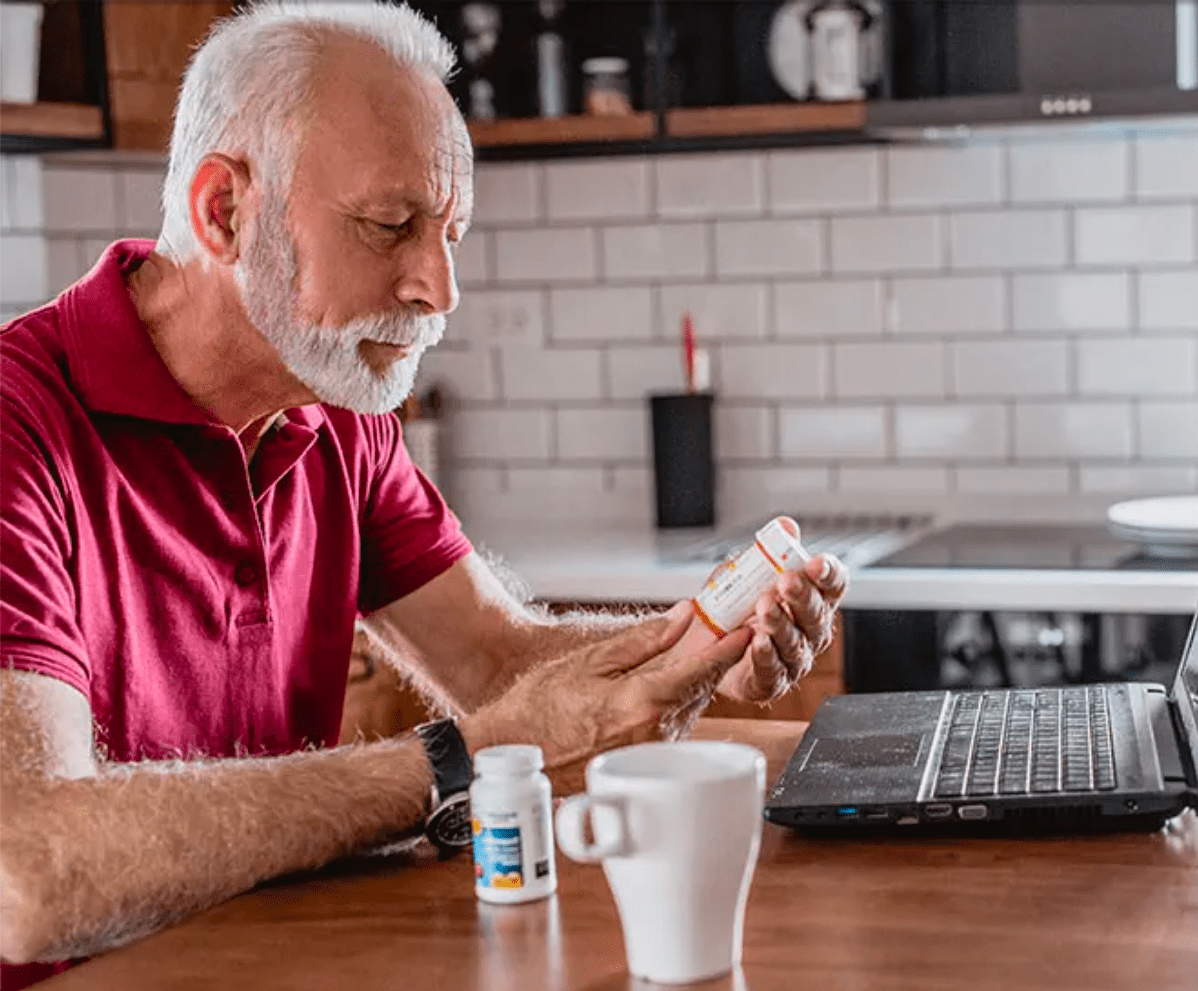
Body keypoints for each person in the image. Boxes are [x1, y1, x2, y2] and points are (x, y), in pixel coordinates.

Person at [0, 3, 847, 985]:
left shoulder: (338, 409)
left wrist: (695, 647)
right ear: (222, 212)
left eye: (450, 232)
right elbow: (28, 873)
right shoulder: (22, 422)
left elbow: (495, 656)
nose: (438, 287)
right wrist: (455, 760)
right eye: (391, 225)